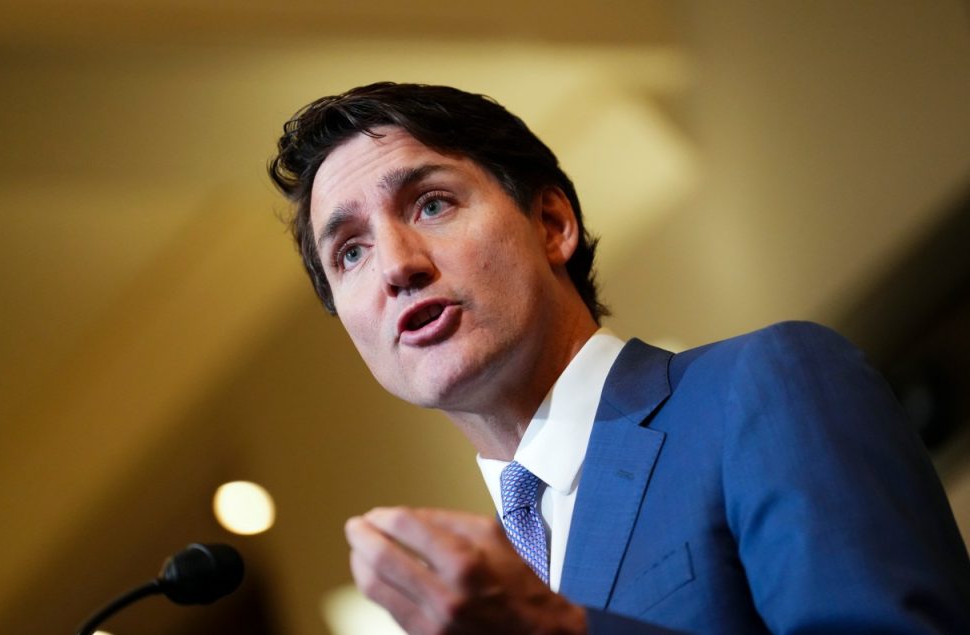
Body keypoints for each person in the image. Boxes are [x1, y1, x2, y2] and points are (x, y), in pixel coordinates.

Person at [269, 82, 970, 634]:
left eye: (431, 205)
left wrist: (556, 629)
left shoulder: (762, 387)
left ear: (553, 225)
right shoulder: (475, 588)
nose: (396, 265)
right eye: (350, 251)